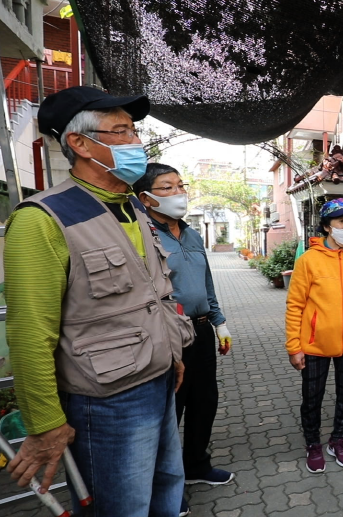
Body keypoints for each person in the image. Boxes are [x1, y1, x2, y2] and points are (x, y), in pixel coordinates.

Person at [4, 86, 195, 516]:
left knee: (166, 490)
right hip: (106, 400)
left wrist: (172, 351)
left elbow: (154, 292)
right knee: (121, 507)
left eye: (134, 132)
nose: (136, 142)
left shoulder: (133, 208)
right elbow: (30, 334)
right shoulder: (42, 219)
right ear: (80, 143)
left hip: (160, 380)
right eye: (122, 132)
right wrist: (46, 424)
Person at [134, 164, 236, 513]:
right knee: (169, 408)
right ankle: (164, 486)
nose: (179, 192)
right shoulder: (142, 234)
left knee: (204, 400)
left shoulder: (191, 235)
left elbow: (206, 282)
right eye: (168, 187)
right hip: (166, 333)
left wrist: (219, 322)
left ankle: (196, 465)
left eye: (181, 185)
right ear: (146, 197)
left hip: (201, 328)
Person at [284, 198, 343, 474]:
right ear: (327, 226)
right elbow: (295, 306)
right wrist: (294, 347)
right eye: (341, 222)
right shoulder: (308, 261)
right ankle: (313, 443)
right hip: (314, 345)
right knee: (312, 397)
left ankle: (338, 440)